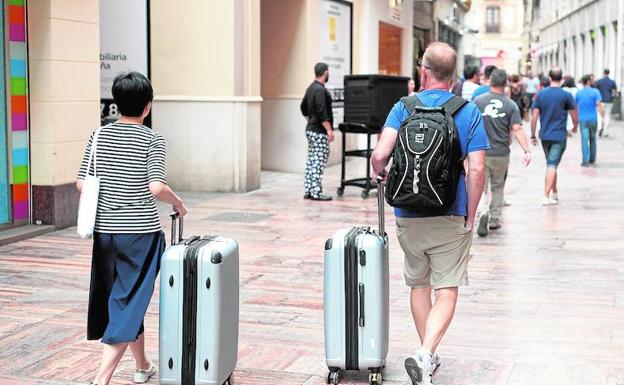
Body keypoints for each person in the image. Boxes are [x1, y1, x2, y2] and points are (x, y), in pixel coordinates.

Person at [371, 42, 488, 385]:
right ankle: (425, 354)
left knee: (419, 285)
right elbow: (477, 170)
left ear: (423, 71)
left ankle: (427, 357)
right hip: (450, 212)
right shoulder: (468, 111)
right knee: (447, 287)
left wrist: (379, 171)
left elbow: (380, 155)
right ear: (453, 77)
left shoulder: (403, 107)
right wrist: (471, 213)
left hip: (407, 212)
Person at [77, 72, 188, 385]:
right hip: (140, 235)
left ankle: (142, 366)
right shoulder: (152, 140)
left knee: (128, 298)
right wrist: (177, 202)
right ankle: (101, 379)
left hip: (104, 234)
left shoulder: (97, 136)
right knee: (129, 300)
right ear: (147, 106)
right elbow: (156, 187)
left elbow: (81, 183)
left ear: (116, 103)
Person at [473, 69, 532, 236]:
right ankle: (494, 219)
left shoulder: (478, 101)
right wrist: (526, 150)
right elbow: (517, 129)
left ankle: (483, 211)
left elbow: (469, 125)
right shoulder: (510, 104)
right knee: (498, 186)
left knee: (480, 186)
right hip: (501, 153)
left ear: (489, 81)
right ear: (506, 83)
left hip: (480, 152)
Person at [531, 67, 578, 206]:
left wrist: (533, 134)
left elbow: (534, 116)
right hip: (559, 135)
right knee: (552, 164)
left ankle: (555, 192)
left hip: (544, 135)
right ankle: (546, 196)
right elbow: (574, 113)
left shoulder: (541, 94)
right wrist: (575, 126)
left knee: (551, 164)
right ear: (561, 78)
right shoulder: (566, 95)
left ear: (549, 78)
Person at [300, 62, 335, 201]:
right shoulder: (320, 90)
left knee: (311, 160)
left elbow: (303, 108)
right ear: (325, 72)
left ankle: (308, 190)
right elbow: (322, 112)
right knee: (319, 160)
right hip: (319, 131)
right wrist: (329, 130)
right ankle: (316, 192)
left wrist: (310, 120)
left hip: (310, 129)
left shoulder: (310, 88)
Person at [575, 74, 604, 166]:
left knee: (584, 140)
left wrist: (575, 120)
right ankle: (592, 158)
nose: (593, 81)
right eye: (592, 80)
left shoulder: (579, 93)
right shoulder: (595, 92)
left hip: (583, 119)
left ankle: (585, 160)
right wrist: (602, 117)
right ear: (588, 81)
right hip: (593, 119)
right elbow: (598, 104)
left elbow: (575, 107)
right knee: (593, 139)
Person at [595, 68, 618, 137]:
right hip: (609, 100)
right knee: (607, 115)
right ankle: (606, 131)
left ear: (603, 73)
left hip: (600, 100)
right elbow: (615, 92)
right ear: (609, 73)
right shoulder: (612, 82)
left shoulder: (599, 81)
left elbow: (595, 90)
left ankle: (599, 127)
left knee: (600, 115)